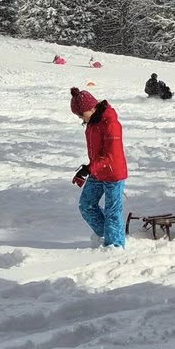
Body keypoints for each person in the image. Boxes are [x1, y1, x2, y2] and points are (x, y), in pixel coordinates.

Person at [69, 86, 128, 248]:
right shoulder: (92, 123)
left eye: (81, 114)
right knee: (86, 206)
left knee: (112, 212)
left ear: (91, 108)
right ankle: (108, 235)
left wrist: (89, 169)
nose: (81, 118)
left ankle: (115, 246)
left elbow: (111, 157)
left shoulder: (111, 124)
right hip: (98, 171)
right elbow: (98, 154)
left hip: (114, 174)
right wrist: (86, 170)